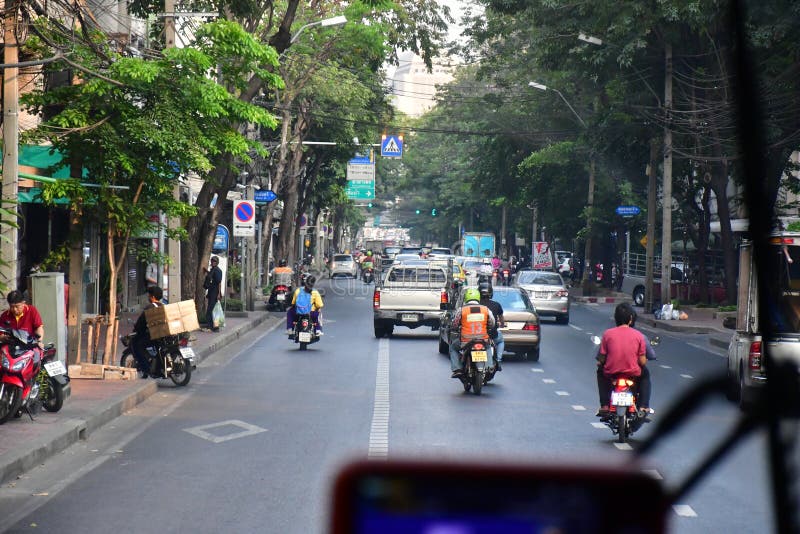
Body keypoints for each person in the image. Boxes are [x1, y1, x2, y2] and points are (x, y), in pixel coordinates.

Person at [595, 303, 647, 418]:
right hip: (632, 373)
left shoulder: (607, 334)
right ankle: (643, 406)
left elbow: (602, 358)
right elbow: (642, 362)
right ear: (631, 319)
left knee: (600, 372)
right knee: (645, 374)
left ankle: (605, 405)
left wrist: (601, 362)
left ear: (615, 319)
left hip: (612, 372)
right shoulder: (639, 336)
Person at [449, 287, 497, 378]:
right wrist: (489, 327)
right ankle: (490, 367)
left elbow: (455, 323)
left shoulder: (462, 310)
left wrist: (454, 328)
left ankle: (457, 369)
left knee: (453, 348)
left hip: (465, 341)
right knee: (488, 347)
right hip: (483, 339)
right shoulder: (485, 309)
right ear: (478, 297)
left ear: (466, 298)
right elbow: (492, 322)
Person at [131, 285, 163, 377]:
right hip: (162, 336)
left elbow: (141, 323)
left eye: (149, 295)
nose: (148, 297)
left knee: (137, 346)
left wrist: (136, 330)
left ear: (152, 297)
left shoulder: (149, 308)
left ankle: (146, 369)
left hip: (154, 336)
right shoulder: (163, 306)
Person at [478, 277, 505, 371]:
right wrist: (502, 325)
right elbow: (501, 320)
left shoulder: (474, 306)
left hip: (475, 333)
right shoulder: (496, 305)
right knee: (501, 340)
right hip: (491, 335)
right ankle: (498, 359)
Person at [202, 256, 223, 332]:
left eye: (214, 261)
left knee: (210, 310)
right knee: (211, 310)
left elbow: (219, 282)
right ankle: (212, 327)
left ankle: (212, 327)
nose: (213, 262)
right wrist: (207, 271)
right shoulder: (213, 270)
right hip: (211, 292)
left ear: (217, 262)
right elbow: (212, 277)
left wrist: (218, 294)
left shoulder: (218, 271)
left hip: (215, 293)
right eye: (212, 261)